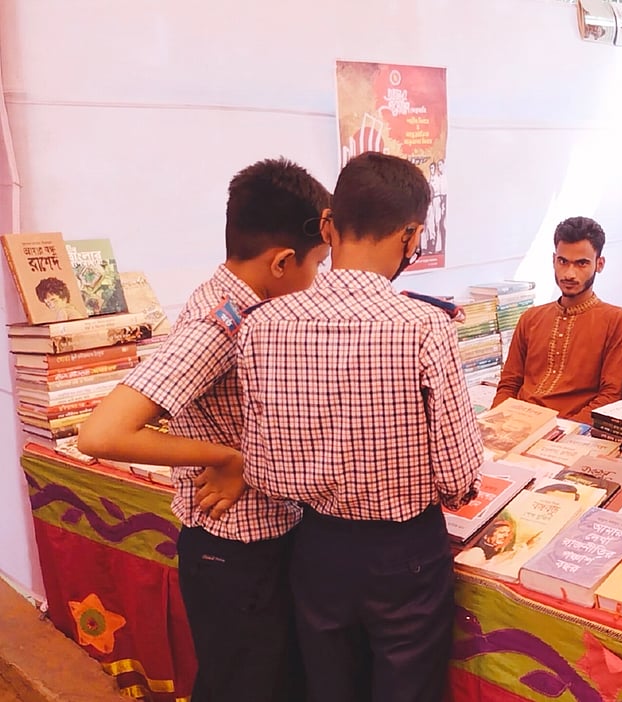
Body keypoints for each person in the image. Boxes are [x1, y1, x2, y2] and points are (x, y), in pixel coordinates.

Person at [77, 157, 332, 702]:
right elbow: (101, 433)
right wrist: (225, 458)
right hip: (237, 552)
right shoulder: (220, 325)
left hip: (252, 544)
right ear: (282, 261)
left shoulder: (238, 301)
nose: (319, 280)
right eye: (318, 263)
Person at [236, 152, 482, 702]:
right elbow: (459, 476)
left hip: (314, 544)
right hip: (404, 551)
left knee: (329, 687)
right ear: (411, 235)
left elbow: (260, 462)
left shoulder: (261, 324)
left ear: (328, 225)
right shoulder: (425, 325)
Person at [492, 216, 622, 424]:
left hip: (571, 431)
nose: (569, 274)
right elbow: (509, 384)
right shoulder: (531, 318)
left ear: (599, 264)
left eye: (582, 263)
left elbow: (611, 397)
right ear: (553, 260)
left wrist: (562, 432)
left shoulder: (617, 321)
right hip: (516, 426)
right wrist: (494, 422)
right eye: (563, 261)